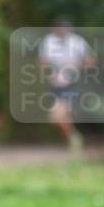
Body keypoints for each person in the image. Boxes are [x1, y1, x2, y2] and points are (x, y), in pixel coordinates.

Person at [38, 19, 96, 153]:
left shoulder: (77, 42)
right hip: (56, 84)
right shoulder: (48, 41)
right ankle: (74, 139)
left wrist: (75, 68)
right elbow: (41, 61)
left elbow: (91, 60)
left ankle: (73, 141)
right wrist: (51, 70)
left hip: (72, 84)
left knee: (58, 117)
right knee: (55, 119)